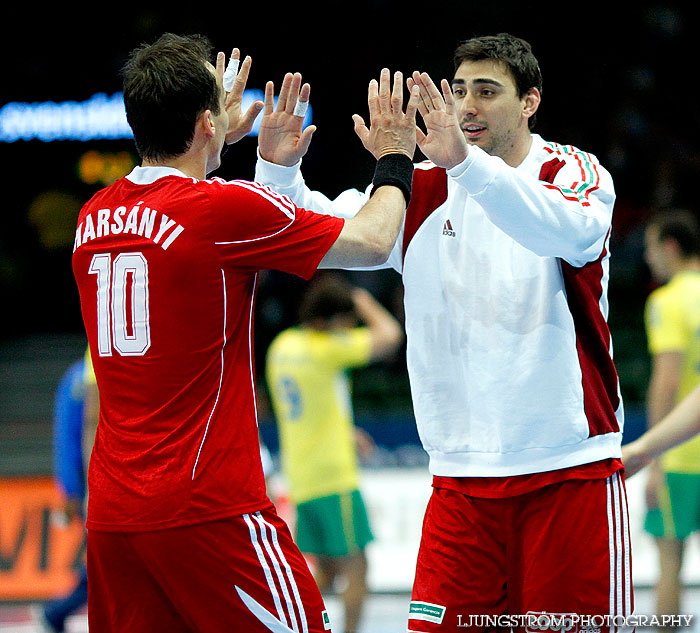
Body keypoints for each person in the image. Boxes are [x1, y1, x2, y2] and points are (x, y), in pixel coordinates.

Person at [255, 32, 630, 629]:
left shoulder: (574, 171)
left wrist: (466, 165)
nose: (468, 106)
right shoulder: (423, 188)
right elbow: (317, 232)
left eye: (488, 91)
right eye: (459, 91)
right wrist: (278, 172)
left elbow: (563, 233)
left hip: (569, 475)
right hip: (459, 485)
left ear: (530, 101)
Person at [71, 33, 419, 633]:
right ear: (210, 121)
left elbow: (176, 223)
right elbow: (374, 239)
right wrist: (393, 159)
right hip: (208, 508)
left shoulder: (93, 216)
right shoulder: (220, 210)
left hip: (115, 515)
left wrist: (210, 143)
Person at [266, 273, 403, 633]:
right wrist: (361, 299)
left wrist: (345, 430)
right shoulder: (325, 349)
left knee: (323, 572)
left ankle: (287, 625)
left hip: (300, 477)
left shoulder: (283, 347)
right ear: (331, 321)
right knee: (358, 567)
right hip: (334, 478)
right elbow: (390, 336)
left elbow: (311, 403)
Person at [638, 209, 700, 623]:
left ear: (671, 247)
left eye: (650, 248)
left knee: (669, 571)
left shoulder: (667, 300)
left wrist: (654, 461)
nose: (647, 258)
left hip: (681, 456)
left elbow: (666, 382)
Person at [33, 356, 89, 633]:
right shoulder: (83, 377)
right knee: (108, 562)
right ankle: (55, 612)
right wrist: (72, 490)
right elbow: (68, 437)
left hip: (93, 485)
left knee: (105, 560)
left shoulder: (79, 374)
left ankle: (55, 612)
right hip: (92, 487)